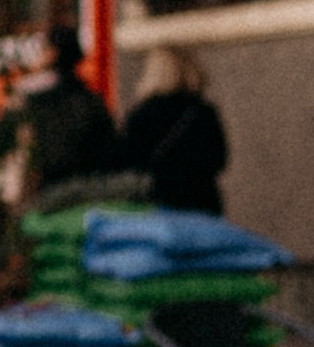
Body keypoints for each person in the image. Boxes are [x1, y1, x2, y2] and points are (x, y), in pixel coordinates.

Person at [120, 43, 230, 215]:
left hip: (157, 200)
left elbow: (128, 161)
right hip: (202, 200)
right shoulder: (202, 111)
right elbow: (220, 159)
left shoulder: (141, 114)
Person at [18, 23, 123, 198]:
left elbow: (28, 158)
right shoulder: (92, 100)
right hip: (93, 191)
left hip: (52, 195)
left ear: (52, 53)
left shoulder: (35, 99)